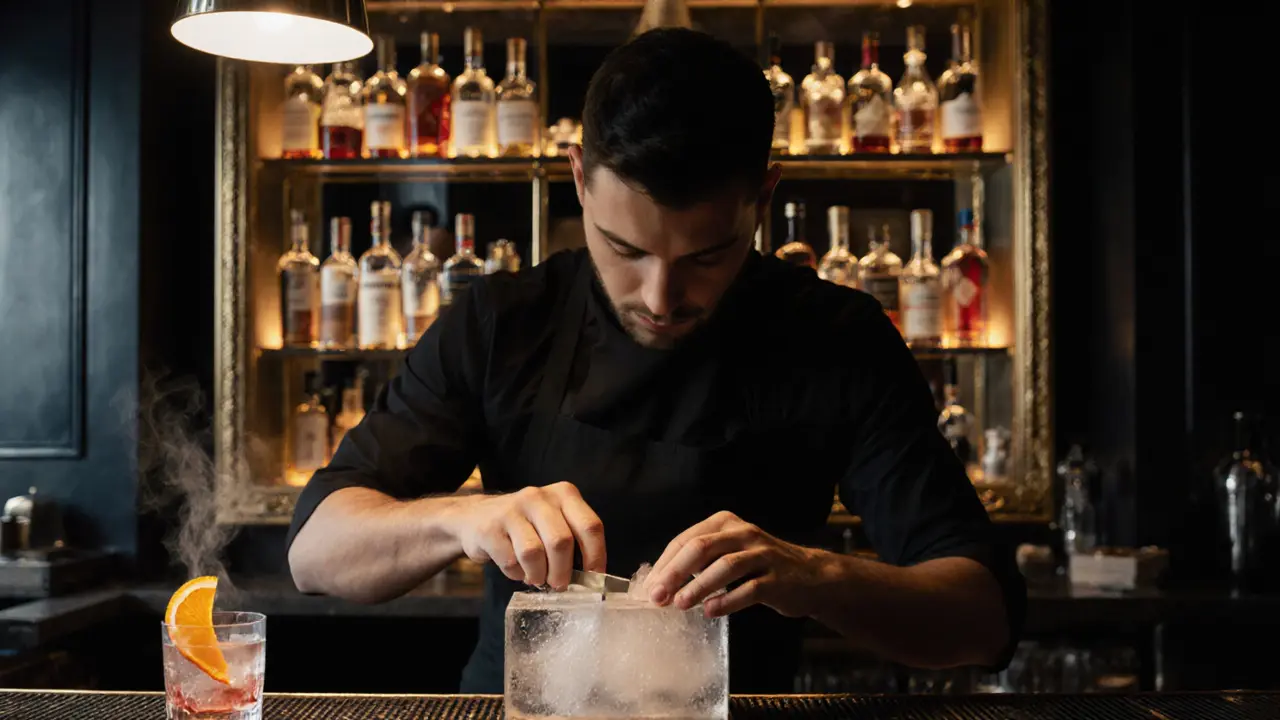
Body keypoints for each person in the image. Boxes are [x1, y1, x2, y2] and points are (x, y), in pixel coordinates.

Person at [286, 27, 1026, 693]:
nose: (662, 296)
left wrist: (814, 575)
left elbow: (983, 618)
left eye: (707, 256)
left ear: (762, 199)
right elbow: (317, 552)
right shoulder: (500, 323)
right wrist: (464, 520)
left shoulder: (835, 336)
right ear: (579, 179)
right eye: (625, 250)